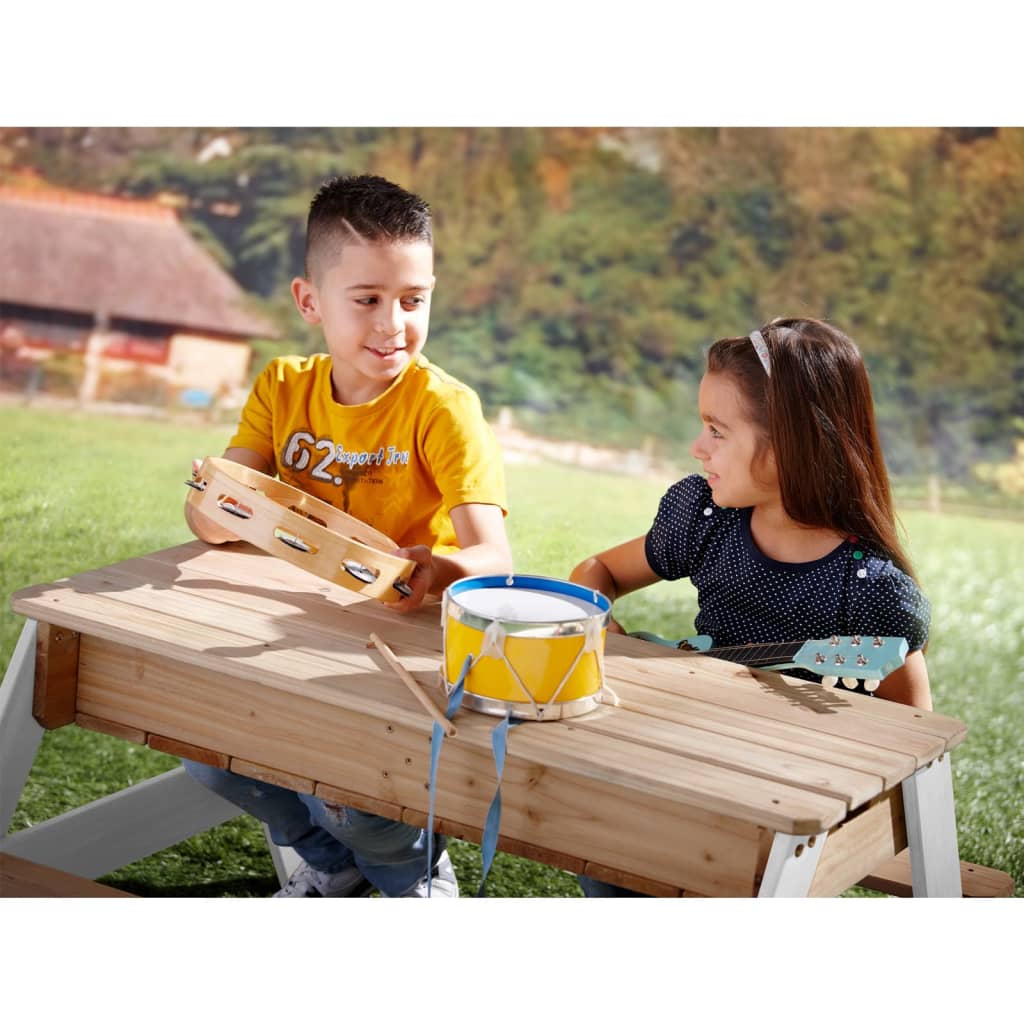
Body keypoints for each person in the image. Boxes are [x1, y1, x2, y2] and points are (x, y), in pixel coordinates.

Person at [183, 174, 512, 898]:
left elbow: (496, 555)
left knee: (351, 801)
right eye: (367, 300)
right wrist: (211, 500)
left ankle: (414, 877)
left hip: (395, 650)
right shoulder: (282, 387)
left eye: (412, 300)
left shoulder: (444, 408)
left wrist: (443, 566)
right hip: (280, 630)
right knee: (204, 757)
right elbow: (215, 514)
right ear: (310, 301)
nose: (393, 324)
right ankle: (331, 868)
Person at [569, 316, 932, 897]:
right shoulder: (707, 519)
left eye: (717, 429)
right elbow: (599, 571)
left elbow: (915, 744)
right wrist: (603, 627)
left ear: (793, 443)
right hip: (689, 755)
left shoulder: (867, 587)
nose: (697, 446)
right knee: (605, 851)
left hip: (784, 804)